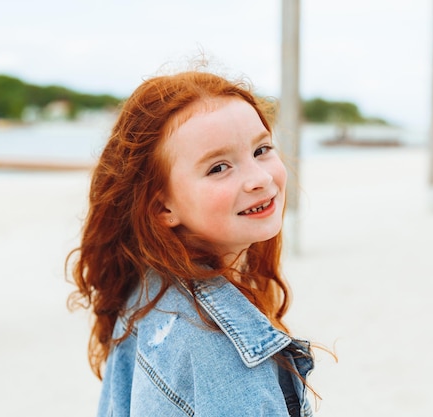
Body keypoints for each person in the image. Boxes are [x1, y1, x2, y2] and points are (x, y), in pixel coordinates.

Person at [67, 68, 315, 416]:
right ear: (162, 206)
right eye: (218, 168)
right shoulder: (226, 354)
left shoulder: (149, 287)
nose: (259, 178)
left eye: (261, 149)